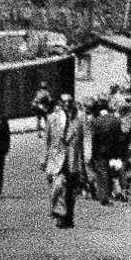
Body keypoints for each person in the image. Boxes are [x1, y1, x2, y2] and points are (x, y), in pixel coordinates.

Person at [39, 92, 80, 228]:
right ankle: (59, 213)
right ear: (60, 103)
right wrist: (44, 158)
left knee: (71, 191)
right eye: (64, 102)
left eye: (69, 102)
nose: (67, 104)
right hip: (57, 159)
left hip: (73, 158)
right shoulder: (52, 118)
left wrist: (85, 157)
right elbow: (47, 140)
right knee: (59, 185)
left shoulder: (78, 118)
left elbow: (84, 139)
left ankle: (68, 217)